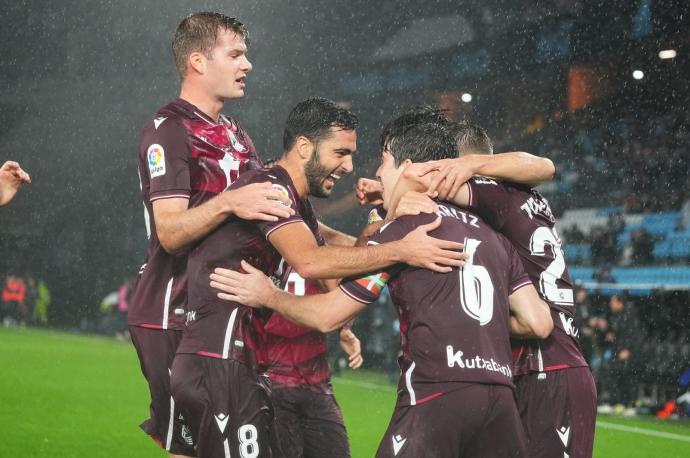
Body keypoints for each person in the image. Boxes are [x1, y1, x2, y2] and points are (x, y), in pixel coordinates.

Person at [210, 118, 554, 458]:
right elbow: (538, 322)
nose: (376, 173)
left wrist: (267, 294)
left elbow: (329, 315)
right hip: (501, 402)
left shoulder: (403, 233)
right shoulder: (494, 237)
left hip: (436, 398)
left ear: (406, 166)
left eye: (384, 160)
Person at [171, 98, 464, 458]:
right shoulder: (271, 190)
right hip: (219, 359)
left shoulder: (297, 204)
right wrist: (401, 249)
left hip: (232, 361)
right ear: (304, 147)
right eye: (340, 153)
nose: (349, 165)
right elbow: (311, 262)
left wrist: (385, 217)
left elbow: (346, 258)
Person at [128, 12, 295, 458]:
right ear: (198, 61)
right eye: (236, 53)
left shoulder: (237, 137)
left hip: (221, 310)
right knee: (197, 447)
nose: (248, 64)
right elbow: (170, 233)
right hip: (173, 310)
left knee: (219, 445)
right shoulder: (167, 131)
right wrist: (228, 202)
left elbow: (271, 214)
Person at [400, 121, 597, 458]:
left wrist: (389, 192)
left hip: (548, 368)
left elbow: (546, 166)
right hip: (526, 370)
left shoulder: (492, 193)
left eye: (448, 165)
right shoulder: (521, 200)